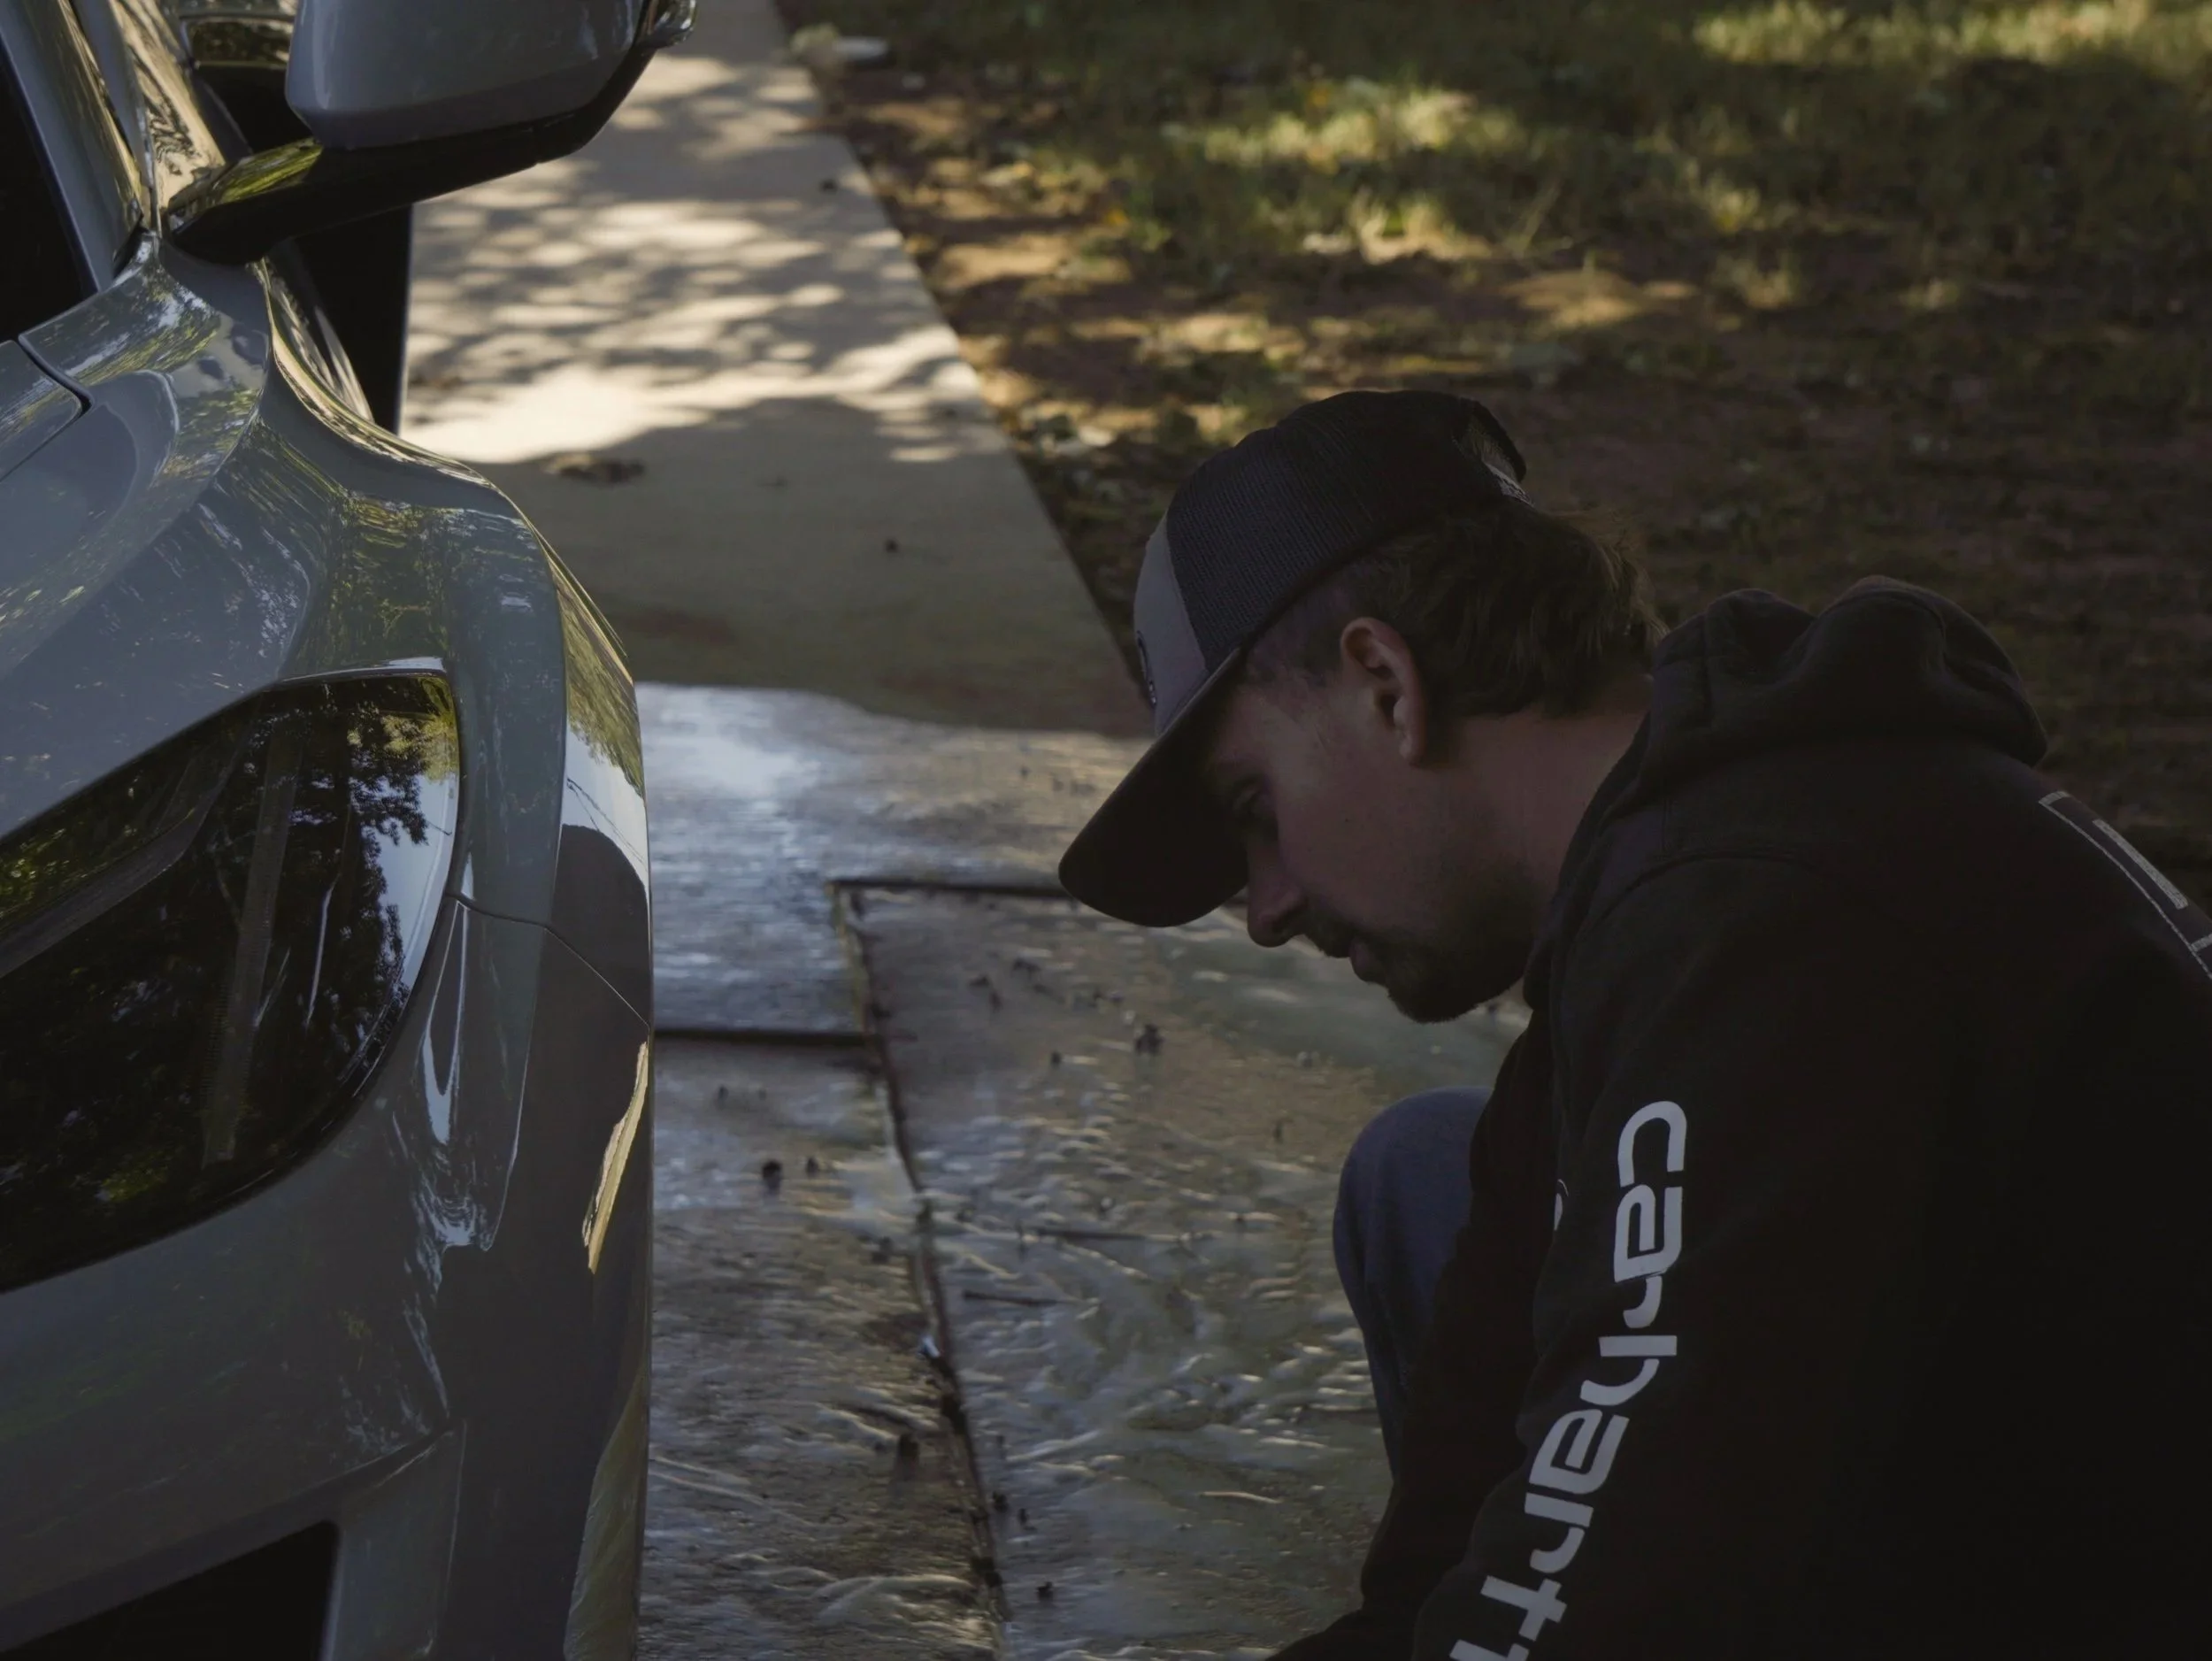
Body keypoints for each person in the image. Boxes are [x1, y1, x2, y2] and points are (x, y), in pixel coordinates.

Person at [1057, 389, 2212, 1657]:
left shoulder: (1769, 928)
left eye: (1254, 808)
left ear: (1384, 683)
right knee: (1426, 1173)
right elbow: (1441, 1578)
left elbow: (1632, 1607)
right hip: (1997, 1498)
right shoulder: (1682, 882)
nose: (1266, 908)